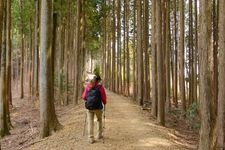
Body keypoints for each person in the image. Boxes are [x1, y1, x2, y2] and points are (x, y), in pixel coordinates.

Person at [82, 75, 107, 144]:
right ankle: (99, 135)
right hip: (98, 107)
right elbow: (103, 98)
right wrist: (104, 103)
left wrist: (88, 100)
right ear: (97, 81)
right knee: (99, 119)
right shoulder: (100, 87)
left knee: (90, 122)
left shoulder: (88, 87)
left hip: (89, 107)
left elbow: (84, 97)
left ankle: (91, 138)